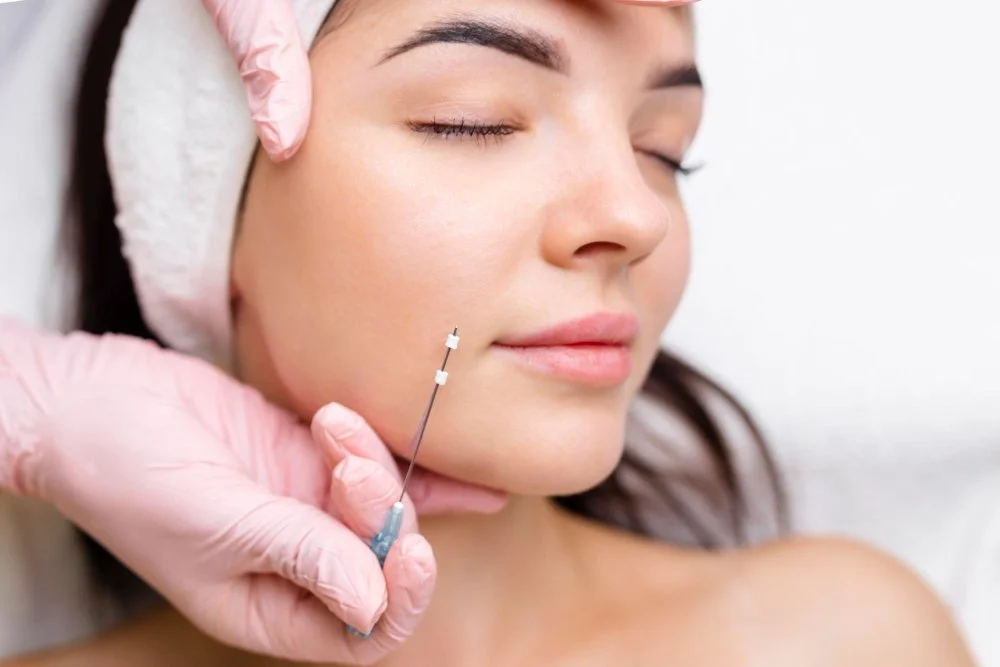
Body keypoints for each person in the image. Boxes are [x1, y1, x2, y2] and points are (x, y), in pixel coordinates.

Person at [4, 0, 976, 664]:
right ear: (203, 218)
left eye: (661, 146)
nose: (632, 214)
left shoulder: (839, 638)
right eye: (471, 121)